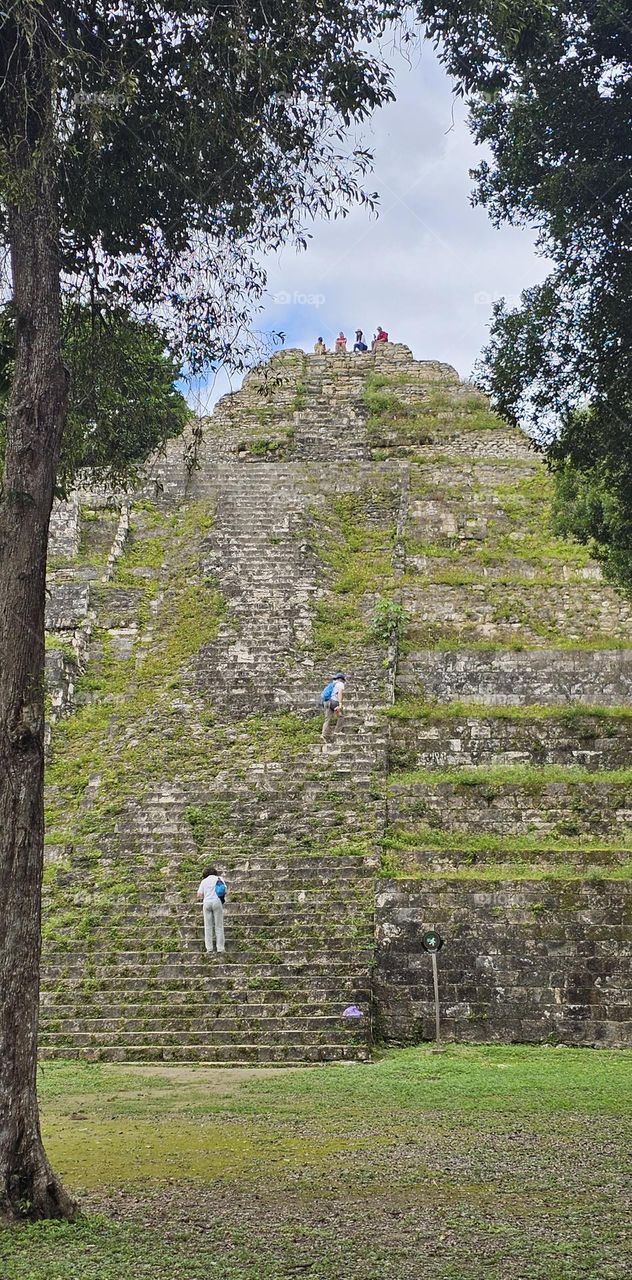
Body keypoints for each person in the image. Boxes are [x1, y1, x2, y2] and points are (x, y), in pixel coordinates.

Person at [196, 864, 226, 954]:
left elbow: (199, 894)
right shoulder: (219, 879)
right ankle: (220, 948)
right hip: (217, 902)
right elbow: (225, 890)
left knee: (208, 927)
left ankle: (209, 948)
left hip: (207, 903)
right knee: (218, 926)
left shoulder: (204, 881)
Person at [321, 672, 346, 741]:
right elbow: (340, 693)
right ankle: (337, 731)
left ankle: (323, 734)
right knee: (341, 716)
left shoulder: (332, 684)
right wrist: (340, 703)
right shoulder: (340, 684)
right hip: (334, 702)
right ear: (342, 679)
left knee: (327, 719)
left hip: (326, 702)